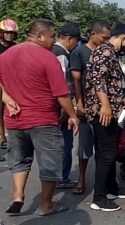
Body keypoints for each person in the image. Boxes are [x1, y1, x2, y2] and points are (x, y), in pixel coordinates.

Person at [1, 19, 79, 216]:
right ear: (39, 36)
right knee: (50, 163)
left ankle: (18, 196)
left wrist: (7, 98)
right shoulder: (47, 57)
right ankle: (47, 205)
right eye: (52, 36)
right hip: (42, 119)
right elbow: (61, 93)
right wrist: (72, 115)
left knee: (19, 160)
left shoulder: (6, 55)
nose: (54, 40)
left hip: (14, 119)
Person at [85, 22, 125, 212]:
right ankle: (99, 198)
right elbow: (98, 81)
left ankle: (111, 189)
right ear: (124, 39)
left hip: (112, 112)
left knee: (108, 151)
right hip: (103, 113)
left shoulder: (110, 53)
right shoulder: (105, 52)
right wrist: (105, 106)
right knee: (107, 154)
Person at [70, 21, 112, 195]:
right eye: (104, 38)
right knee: (85, 146)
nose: (106, 41)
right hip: (87, 106)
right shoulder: (80, 53)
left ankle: (104, 182)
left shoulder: (107, 52)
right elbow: (76, 80)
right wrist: (79, 103)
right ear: (93, 34)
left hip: (104, 108)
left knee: (104, 146)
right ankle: (81, 179)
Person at [52, 23, 81, 189]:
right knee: (65, 143)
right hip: (60, 107)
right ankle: (62, 177)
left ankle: (54, 176)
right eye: (76, 42)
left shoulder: (48, 51)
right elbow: (61, 84)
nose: (76, 46)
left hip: (49, 106)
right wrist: (67, 109)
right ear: (70, 39)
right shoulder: (61, 54)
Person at [0, 19, 19, 150]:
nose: (10, 35)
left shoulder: (16, 47)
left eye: (12, 33)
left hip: (11, 81)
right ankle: (2, 138)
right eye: (7, 33)